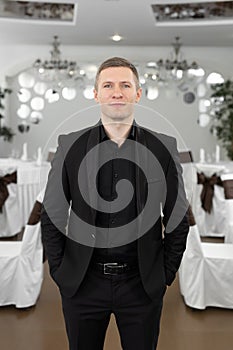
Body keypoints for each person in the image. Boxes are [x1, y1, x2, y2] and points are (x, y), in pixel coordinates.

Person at [41, 56, 189, 350]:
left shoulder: (164, 147)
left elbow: (177, 217)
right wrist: (59, 270)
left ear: (138, 93)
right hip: (82, 283)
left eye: (125, 85)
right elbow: (53, 214)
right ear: (96, 94)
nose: (117, 92)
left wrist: (164, 274)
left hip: (142, 285)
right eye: (108, 85)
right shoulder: (69, 145)